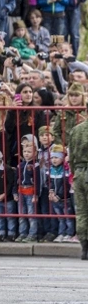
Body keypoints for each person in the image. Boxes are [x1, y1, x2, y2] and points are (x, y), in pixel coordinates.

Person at [69, 108, 88, 258]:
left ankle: (84, 246)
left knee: (82, 212)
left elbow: (72, 156)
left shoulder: (76, 130)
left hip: (79, 172)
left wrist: (74, 172)